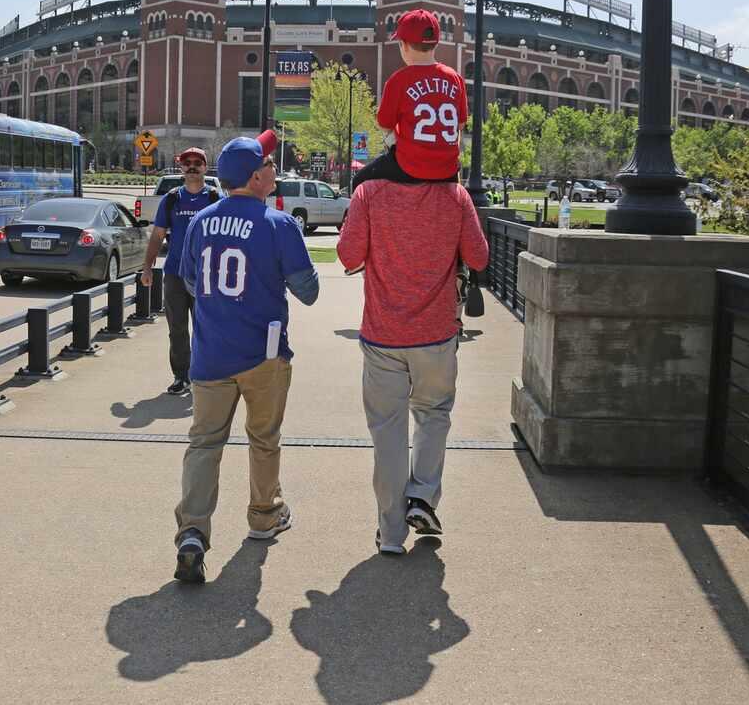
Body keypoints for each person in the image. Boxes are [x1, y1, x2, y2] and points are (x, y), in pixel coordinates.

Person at [173, 129, 319, 584]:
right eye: (270, 165)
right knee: (264, 437)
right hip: (263, 352)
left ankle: (192, 533)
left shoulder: (201, 221)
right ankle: (263, 515)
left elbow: (191, 281)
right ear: (257, 178)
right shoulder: (278, 223)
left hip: (210, 353)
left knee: (204, 443)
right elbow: (308, 291)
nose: (276, 170)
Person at [337, 174, 489, 556]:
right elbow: (479, 257)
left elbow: (348, 255)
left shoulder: (369, 192)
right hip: (436, 335)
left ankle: (390, 533)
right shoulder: (455, 196)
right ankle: (421, 497)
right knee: (433, 414)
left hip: (383, 334)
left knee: (388, 431)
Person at [352, 8, 467, 191]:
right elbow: (460, 125)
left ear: (404, 45)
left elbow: (384, 123)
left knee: (358, 181)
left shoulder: (398, 80)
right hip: (448, 172)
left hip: (409, 168)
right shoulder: (455, 78)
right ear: (436, 43)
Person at [141, 147, 220, 394]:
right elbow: (157, 235)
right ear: (181, 167)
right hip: (175, 273)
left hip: (206, 275)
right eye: (187, 163)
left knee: (205, 328)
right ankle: (181, 377)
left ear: (206, 167)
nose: (193, 166)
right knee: (177, 329)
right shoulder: (172, 199)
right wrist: (147, 267)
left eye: (198, 162)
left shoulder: (215, 198)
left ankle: (204, 373)